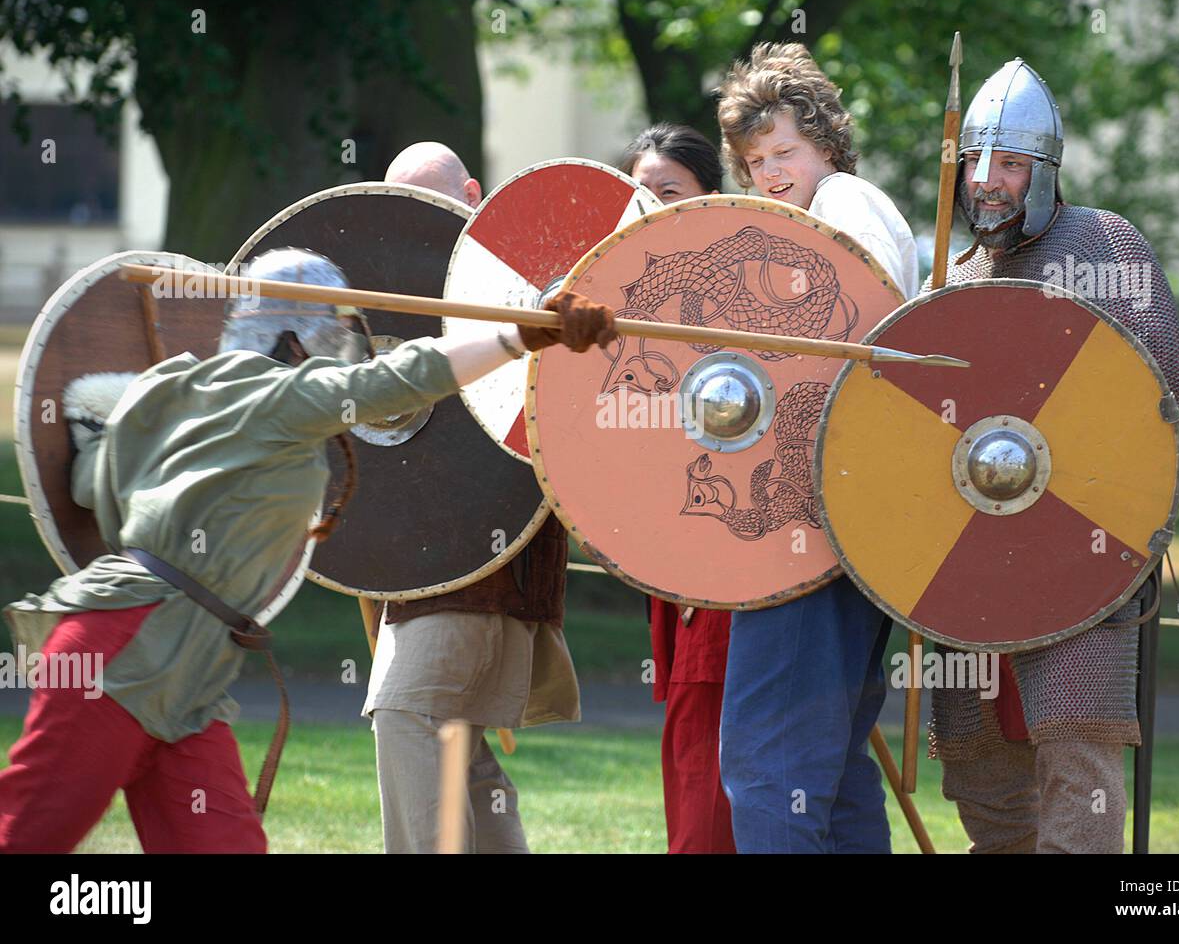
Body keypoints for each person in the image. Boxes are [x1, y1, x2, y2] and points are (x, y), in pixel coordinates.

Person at [0, 247, 615, 853]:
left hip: (188, 670)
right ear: (296, 338)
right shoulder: (283, 398)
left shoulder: (168, 386)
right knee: (29, 834)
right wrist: (524, 334)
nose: (336, 352)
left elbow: (89, 483)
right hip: (123, 652)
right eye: (331, 334)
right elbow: (402, 378)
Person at [926, 58, 1179, 854]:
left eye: (1009, 163)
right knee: (981, 773)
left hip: (1084, 549)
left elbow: (1163, 416)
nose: (987, 181)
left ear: (1044, 170)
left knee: (1078, 763)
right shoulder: (953, 272)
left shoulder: (1107, 246)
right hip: (972, 557)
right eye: (976, 161)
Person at [713, 42, 919, 853]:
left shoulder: (846, 206)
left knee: (766, 759)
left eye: (784, 150)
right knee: (827, 769)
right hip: (839, 515)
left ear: (827, 143)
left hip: (813, 514)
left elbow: (855, 342)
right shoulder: (818, 212)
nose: (768, 171)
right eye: (755, 158)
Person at [362, 142, 581, 854]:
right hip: (426, 569)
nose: (414, 219)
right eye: (400, 205)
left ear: (473, 191)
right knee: (461, 748)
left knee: (406, 712)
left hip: (487, 565)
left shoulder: (520, 286)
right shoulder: (392, 294)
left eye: (428, 198)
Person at [619, 123, 735, 854]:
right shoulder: (630, 296)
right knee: (692, 742)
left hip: (729, 549)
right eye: (638, 193)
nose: (651, 207)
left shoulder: (733, 292)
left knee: (710, 743)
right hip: (673, 557)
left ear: (709, 198)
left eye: (669, 192)